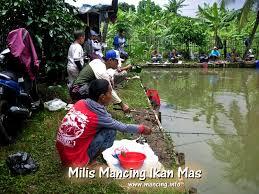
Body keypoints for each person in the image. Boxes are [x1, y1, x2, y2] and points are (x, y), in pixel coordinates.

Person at [56, 79, 152, 167]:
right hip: (75, 161)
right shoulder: (98, 116)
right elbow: (123, 127)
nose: (112, 94)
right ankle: (88, 161)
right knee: (111, 131)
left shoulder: (81, 102)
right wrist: (142, 129)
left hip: (64, 154)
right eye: (110, 92)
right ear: (102, 97)